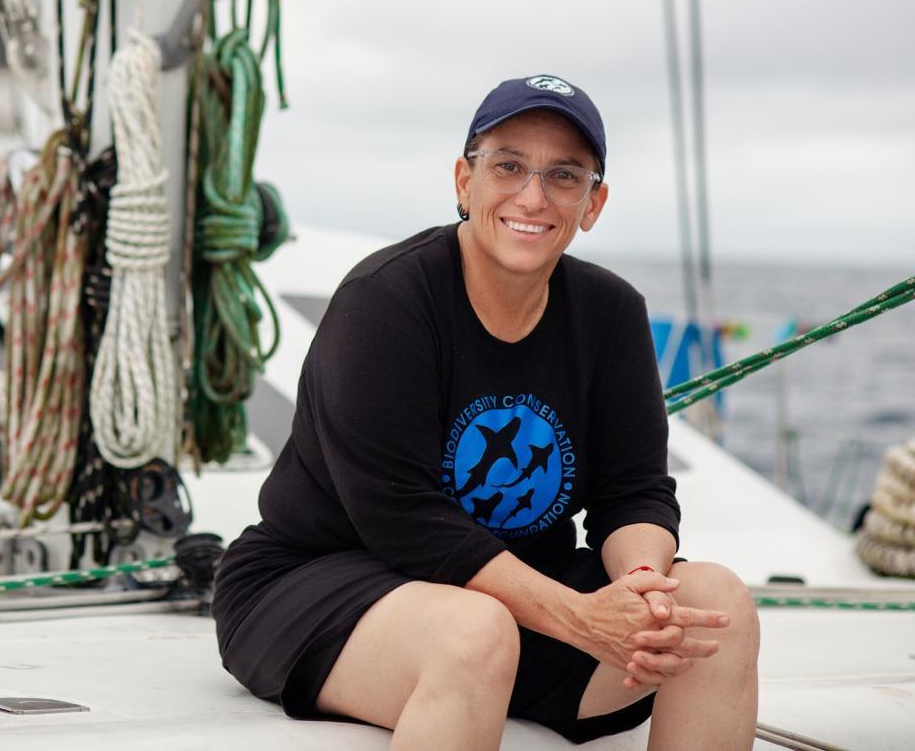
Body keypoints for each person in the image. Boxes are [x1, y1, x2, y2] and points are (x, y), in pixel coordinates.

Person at [211, 74, 760, 748]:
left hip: (515, 601)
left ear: (594, 203)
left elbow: (635, 489)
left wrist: (640, 588)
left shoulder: (612, 313)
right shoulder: (386, 300)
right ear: (463, 181)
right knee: (476, 629)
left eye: (564, 175)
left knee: (716, 606)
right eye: (508, 165)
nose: (532, 195)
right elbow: (403, 519)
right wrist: (583, 619)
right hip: (317, 588)